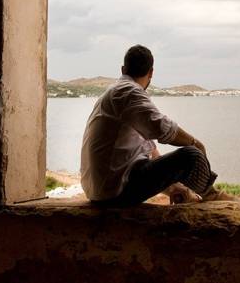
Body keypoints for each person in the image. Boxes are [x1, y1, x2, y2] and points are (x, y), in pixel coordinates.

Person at [80, 44, 229, 207]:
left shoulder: (117, 94)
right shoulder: (129, 92)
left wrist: (173, 188)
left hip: (104, 190)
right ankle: (211, 195)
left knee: (186, 157)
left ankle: (202, 193)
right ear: (151, 72)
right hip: (114, 193)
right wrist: (196, 143)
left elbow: (152, 155)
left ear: (123, 69)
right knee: (191, 155)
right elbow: (162, 128)